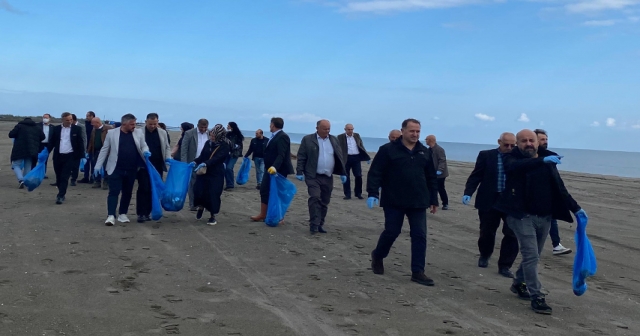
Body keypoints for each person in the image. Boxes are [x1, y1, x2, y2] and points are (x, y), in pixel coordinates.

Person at [495, 129, 587, 315]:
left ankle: (517, 282)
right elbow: (515, 167)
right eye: (524, 141)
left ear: (537, 142)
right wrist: (541, 161)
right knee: (531, 255)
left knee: (535, 253)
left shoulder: (548, 161)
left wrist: (576, 209)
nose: (528, 143)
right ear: (518, 144)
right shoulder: (511, 159)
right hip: (521, 216)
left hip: (545, 216)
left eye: (532, 140)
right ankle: (537, 296)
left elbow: (560, 188)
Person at [367, 118, 439, 286]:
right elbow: (375, 172)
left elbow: (431, 177)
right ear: (403, 131)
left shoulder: (424, 152)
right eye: (412, 131)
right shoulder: (387, 150)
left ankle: (418, 271)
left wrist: (434, 199)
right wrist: (372, 193)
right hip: (394, 199)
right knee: (392, 231)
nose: (415, 134)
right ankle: (378, 255)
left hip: (418, 200)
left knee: (419, 235)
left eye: (418, 131)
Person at [462, 132, 519, 278]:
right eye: (506, 144)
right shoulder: (486, 155)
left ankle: (505, 265)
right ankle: (485, 254)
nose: (509, 147)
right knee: (487, 231)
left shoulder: (519, 157)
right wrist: (468, 192)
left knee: (511, 233)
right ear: (499, 142)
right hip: (489, 199)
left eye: (513, 145)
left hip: (511, 202)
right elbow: (476, 175)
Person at [95, 114, 150, 226]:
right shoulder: (112, 133)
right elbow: (104, 150)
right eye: (132, 124)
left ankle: (122, 213)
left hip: (132, 168)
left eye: (135, 124)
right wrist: (98, 165)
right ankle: (111, 215)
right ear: (125, 123)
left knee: (127, 192)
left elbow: (144, 145)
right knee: (114, 191)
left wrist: (145, 151)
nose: (134, 126)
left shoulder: (138, 133)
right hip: (115, 168)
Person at [296, 120, 347, 234]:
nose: (327, 131)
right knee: (315, 197)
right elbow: (302, 156)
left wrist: (343, 172)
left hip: (328, 176)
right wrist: (299, 171)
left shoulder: (334, 140)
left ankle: (320, 224)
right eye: (325, 128)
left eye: (329, 128)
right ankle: (313, 225)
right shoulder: (308, 139)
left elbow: (339, 156)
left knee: (325, 201)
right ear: (317, 128)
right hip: (312, 175)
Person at [534, 129, 572, 256]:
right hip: (531, 196)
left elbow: (555, 178)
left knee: (551, 219)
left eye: (546, 139)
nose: (545, 142)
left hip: (548, 195)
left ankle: (556, 245)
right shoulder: (527, 156)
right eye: (542, 139)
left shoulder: (550, 155)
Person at [250, 117, 294, 222]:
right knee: (264, 190)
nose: (270, 126)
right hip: (269, 168)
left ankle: (279, 216)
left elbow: (281, 154)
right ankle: (263, 214)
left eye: (270, 124)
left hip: (278, 170)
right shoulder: (273, 136)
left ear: (273, 125)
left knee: (277, 192)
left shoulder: (282, 136)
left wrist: (275, 166)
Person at [192, 125, 231, 226]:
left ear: (219, 135)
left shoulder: (225, 145)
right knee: (199, 190)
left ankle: (212, 216)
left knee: (213, 193)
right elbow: (202, 156)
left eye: (214, 136)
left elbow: (218, 158)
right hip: (204, 172)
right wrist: (195, 162)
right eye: (211, 135)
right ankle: (200, 207)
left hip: (216, 173)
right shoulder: (208, 143)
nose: (211, 137)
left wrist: (206, 163)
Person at [136, 113, 171, 223]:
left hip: (157, 166)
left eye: (155, 124)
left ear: (158, 122)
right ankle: (141, 213)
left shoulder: (163, 132)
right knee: (143, 188)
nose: (152, 126)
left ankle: (148, 212)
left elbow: (166, 147)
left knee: (153, 189)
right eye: (150, 124)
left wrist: (168, 158)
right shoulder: (139, 132)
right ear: (146, 122)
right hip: (143, 165)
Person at [48, 112, 85, 204]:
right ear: (63, 120)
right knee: (59, 177)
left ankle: (61, 195)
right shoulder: (56, 129)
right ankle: (60, 191)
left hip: (70, 156)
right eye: (67, 120)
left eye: (71, 120)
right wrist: (45, 153)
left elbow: (80, 142)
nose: (69, 121)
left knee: (65, 176)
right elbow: (51, 142)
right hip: (58, 156)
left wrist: (82, 155)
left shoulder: (77, 129)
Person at [180, 119, 210, 211]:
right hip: (192, 162)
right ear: (198, 125)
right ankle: (193, 204)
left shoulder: (210, 133)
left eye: (205, 127)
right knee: (193, 184)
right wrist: (184, 163)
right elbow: (184, 149)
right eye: (201, 127)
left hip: (205, 163)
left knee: (205, 184)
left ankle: (203, 203)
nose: (203, 129)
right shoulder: (189, 133)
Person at [9, 117, 45, 189]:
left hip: (19, 149)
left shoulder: (19, 126)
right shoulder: (37, 127)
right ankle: (25, 180)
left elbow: (11, 134)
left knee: (16, 165)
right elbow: (43, 137)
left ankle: (21, 180)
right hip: (32, 149)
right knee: (28, 165)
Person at [337, 124, 371, 200]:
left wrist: (366, 156)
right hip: (346, 158)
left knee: (358, 176)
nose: (350, 131)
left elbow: (361, 145)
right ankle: (347, 194)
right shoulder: (340, 137)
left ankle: (358, 193)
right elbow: (337, 147)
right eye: (348, 129)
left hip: (356, 158)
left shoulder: (356, 135)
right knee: (346, 177)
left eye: (351, 129)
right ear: (345, 129)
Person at [87, 117, 113, 189]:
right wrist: (88, 151)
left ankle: (106, 182)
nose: (92, 125)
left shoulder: (108, 129)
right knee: (96, 167)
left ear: (98, 122)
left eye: (93, 123)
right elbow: (91, 141)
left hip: (106, 152)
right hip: (96, 151)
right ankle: (97, 182)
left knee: (106, 167)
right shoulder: (94, 130)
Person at [425, 135, 449, 210]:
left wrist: (440, 170)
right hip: (431, 173)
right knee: (430, 187)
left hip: (440, 174)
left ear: (430, 140)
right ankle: (430, 202)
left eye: (426, 139)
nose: (425, 141)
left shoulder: (439, 149)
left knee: (440, 188)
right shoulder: (429, 150)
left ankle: (445, 203)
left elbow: (442, 160)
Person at [224, 121, 244, 191]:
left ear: (232, 127)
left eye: (228, 125)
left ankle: (230, 184)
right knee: (225, 168)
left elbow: (239, 145)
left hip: (234, 154)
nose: (227, 127)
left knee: (229, 168)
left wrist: (233, 147)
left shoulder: (237, 135)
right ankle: (228, 183)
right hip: (226, 154)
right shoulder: (227, 134)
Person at [69, 114, 88, 186]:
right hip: (68, 149)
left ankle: (73, 179)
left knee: (75, 166)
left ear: (73, 120)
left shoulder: (81, 126)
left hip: (77, 149)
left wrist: (84, 149)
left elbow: (84, 138)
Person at [78, 111, 95, 183]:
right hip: (86, 146)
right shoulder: (85, 125)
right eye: (86, 116)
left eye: (88, 116)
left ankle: (93, 177)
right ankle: (86, 177)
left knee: (93, 163)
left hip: (93, 147)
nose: (86, 117)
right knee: (86, 163)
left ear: (92, 116)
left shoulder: (95, 125)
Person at [36, 113, 54, 178]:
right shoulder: (38, 125)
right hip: (39, 144)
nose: (45, 119)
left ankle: (43, 173)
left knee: (44, 159)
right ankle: (34, 172)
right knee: (35, 158)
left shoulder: (52, 127)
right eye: (44, 117)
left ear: (49, 119)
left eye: (46, 118)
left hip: (47, 145)